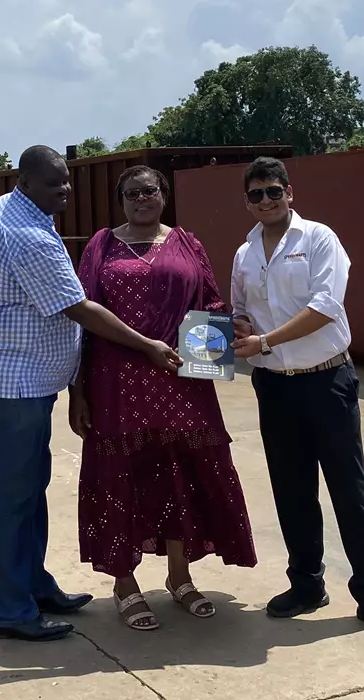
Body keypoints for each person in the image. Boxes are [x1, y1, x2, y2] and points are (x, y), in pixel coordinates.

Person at [0, 146, 182, 643]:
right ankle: (11, 611)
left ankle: (34, 587)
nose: (63, 190)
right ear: (24, 182)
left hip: (19, 374)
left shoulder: (6, 207)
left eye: (66, 181)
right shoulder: (27, 235)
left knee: (29, 487)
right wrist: (147, 345)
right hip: (14, 380)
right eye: (52, 183)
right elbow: (78, 308)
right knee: (14, 497)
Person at [229, 156, 364, 640]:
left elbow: (326, 307)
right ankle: (307, 584)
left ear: (290, 193)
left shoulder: (318, 239)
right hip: (274, 386)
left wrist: (265, 342)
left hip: (327, 381)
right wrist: (239, 328)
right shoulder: (244, 254)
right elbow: (240, 309)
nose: (266, 200)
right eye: (256, 194)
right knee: (292, 490)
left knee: (348, 490)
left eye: (273, 191)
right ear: (247, 202)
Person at [71, 166, 257, 632]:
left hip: (181, 380)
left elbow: (209, 304)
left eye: (149, 190)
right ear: (121, 199)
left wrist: (226, 331)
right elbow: (81, 322)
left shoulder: (188, 243)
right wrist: (78, 390)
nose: (141, 198)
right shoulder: (101, 246)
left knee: (182, 474)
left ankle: (180, 576)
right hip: (117, 382)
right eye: (132, 192)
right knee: (120, 479)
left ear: (164, 195)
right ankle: (124, 583)